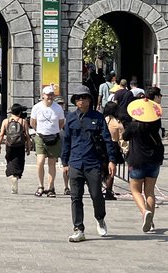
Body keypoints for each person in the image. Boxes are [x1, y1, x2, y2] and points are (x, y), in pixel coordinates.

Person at [61, 85, 116, 242]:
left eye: (83, 97)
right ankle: (78, 228)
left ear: (89, 99)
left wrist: (111, 160)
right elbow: (66, 141)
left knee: (96, 195)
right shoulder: (70, 118)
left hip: (93, 163)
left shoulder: (98, 117)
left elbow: (107, 140)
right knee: (75, 197)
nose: (80, 100)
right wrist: (64, 161)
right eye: (77, 98)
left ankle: (100, 218)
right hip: (75, 163)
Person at [123, 98, 165, 233]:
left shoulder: (133, 126)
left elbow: (124, 137)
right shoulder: (156, 124)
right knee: (150, 192)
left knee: (135, 190)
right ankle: (151, 222)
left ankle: (144, 212)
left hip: (137, 161)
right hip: (154, 161)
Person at [30, 86, 66, 197]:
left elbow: (61, 123)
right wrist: (39, 131)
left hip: (53, 137)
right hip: (41, 136)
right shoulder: (36, 107)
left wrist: (54, 130)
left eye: (51, 94)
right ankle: (40, 185)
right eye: (47, 95)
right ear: (43, 96)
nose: (49, 97)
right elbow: (33, 122)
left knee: (52, 163)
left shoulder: (58, 108)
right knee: (40, 161)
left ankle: (51, 187)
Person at [0, 103, 31, 193]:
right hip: (20, 145)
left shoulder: (6, 121)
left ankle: (13, 176)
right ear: (20, 112)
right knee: (19, 161)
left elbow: (1, 135)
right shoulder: (23, 121)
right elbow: (27, 135)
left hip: (9, 145)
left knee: (10, 160)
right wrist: (28, 147)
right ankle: (16, 176)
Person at [102, 101, 124, 200]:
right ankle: (108, 191)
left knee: (102, 169)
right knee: (111, 171)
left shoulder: (102, 120)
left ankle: (99, 189)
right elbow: (121, 136)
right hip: (113, 145)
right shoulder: (117, 122)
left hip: (102, 146)